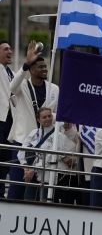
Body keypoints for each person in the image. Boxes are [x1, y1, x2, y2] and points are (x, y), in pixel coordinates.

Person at [8, 53, 58, 199]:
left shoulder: (54, 89)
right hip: (24, 142)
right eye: (40, 67)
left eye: (45, 66)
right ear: (31, 70)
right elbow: (11, 86)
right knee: (17, 186)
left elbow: (56, 114)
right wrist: (25, 64)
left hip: (45, 145)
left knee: (39, 188)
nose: (45, 69)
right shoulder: (22, 86)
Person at [18, 107, 71, 201]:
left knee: (44, 202)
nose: (47, 119)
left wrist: (32, 170)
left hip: (47, 176)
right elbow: (22, 151)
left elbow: (50, 157)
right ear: (38, 119)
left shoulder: (59, 136)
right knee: (28, 201)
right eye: (44, 117)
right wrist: (26, 167)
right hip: (30, 174)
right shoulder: (33, 133)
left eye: (49, 116)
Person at [0, 40, 18, 197]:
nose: (10, 51)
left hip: (10, 122)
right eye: (6, 49)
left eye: (10, 49)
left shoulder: (11, 72)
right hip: (0, 119)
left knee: (6, 161)